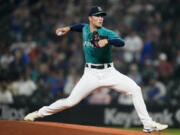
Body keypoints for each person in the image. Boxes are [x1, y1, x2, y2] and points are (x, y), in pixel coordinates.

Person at [24, 6, 168, 133]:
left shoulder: (106, 32)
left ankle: (148, 125)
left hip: (109, 72)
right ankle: (38, 113)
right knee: (70, 102)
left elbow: (121, 42)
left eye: (102, 16)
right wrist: (67, 28)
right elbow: (80, 26)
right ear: (90, 19)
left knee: (135, 89)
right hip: (90, 74)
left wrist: (108, 41)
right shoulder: (86, 28)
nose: (100, 18)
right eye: (97, 16)